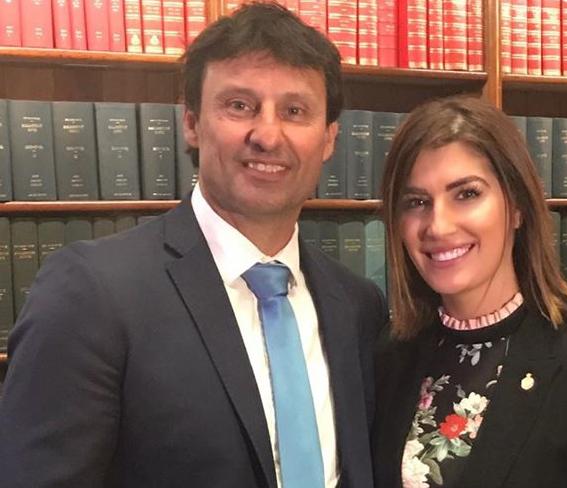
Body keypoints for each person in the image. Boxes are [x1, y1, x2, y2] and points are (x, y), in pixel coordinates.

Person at [0, 4, 387, 487]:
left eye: (295, 111)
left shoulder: (358, 305)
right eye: (239, 105)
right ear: (191, 123)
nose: (268, 135)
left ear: (329, 139)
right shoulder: (92, 293)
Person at [372, 95, 567, 488]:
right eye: (417, 202)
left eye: (467, 194)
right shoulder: (387, 356)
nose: (438, 225)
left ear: (517, 206)